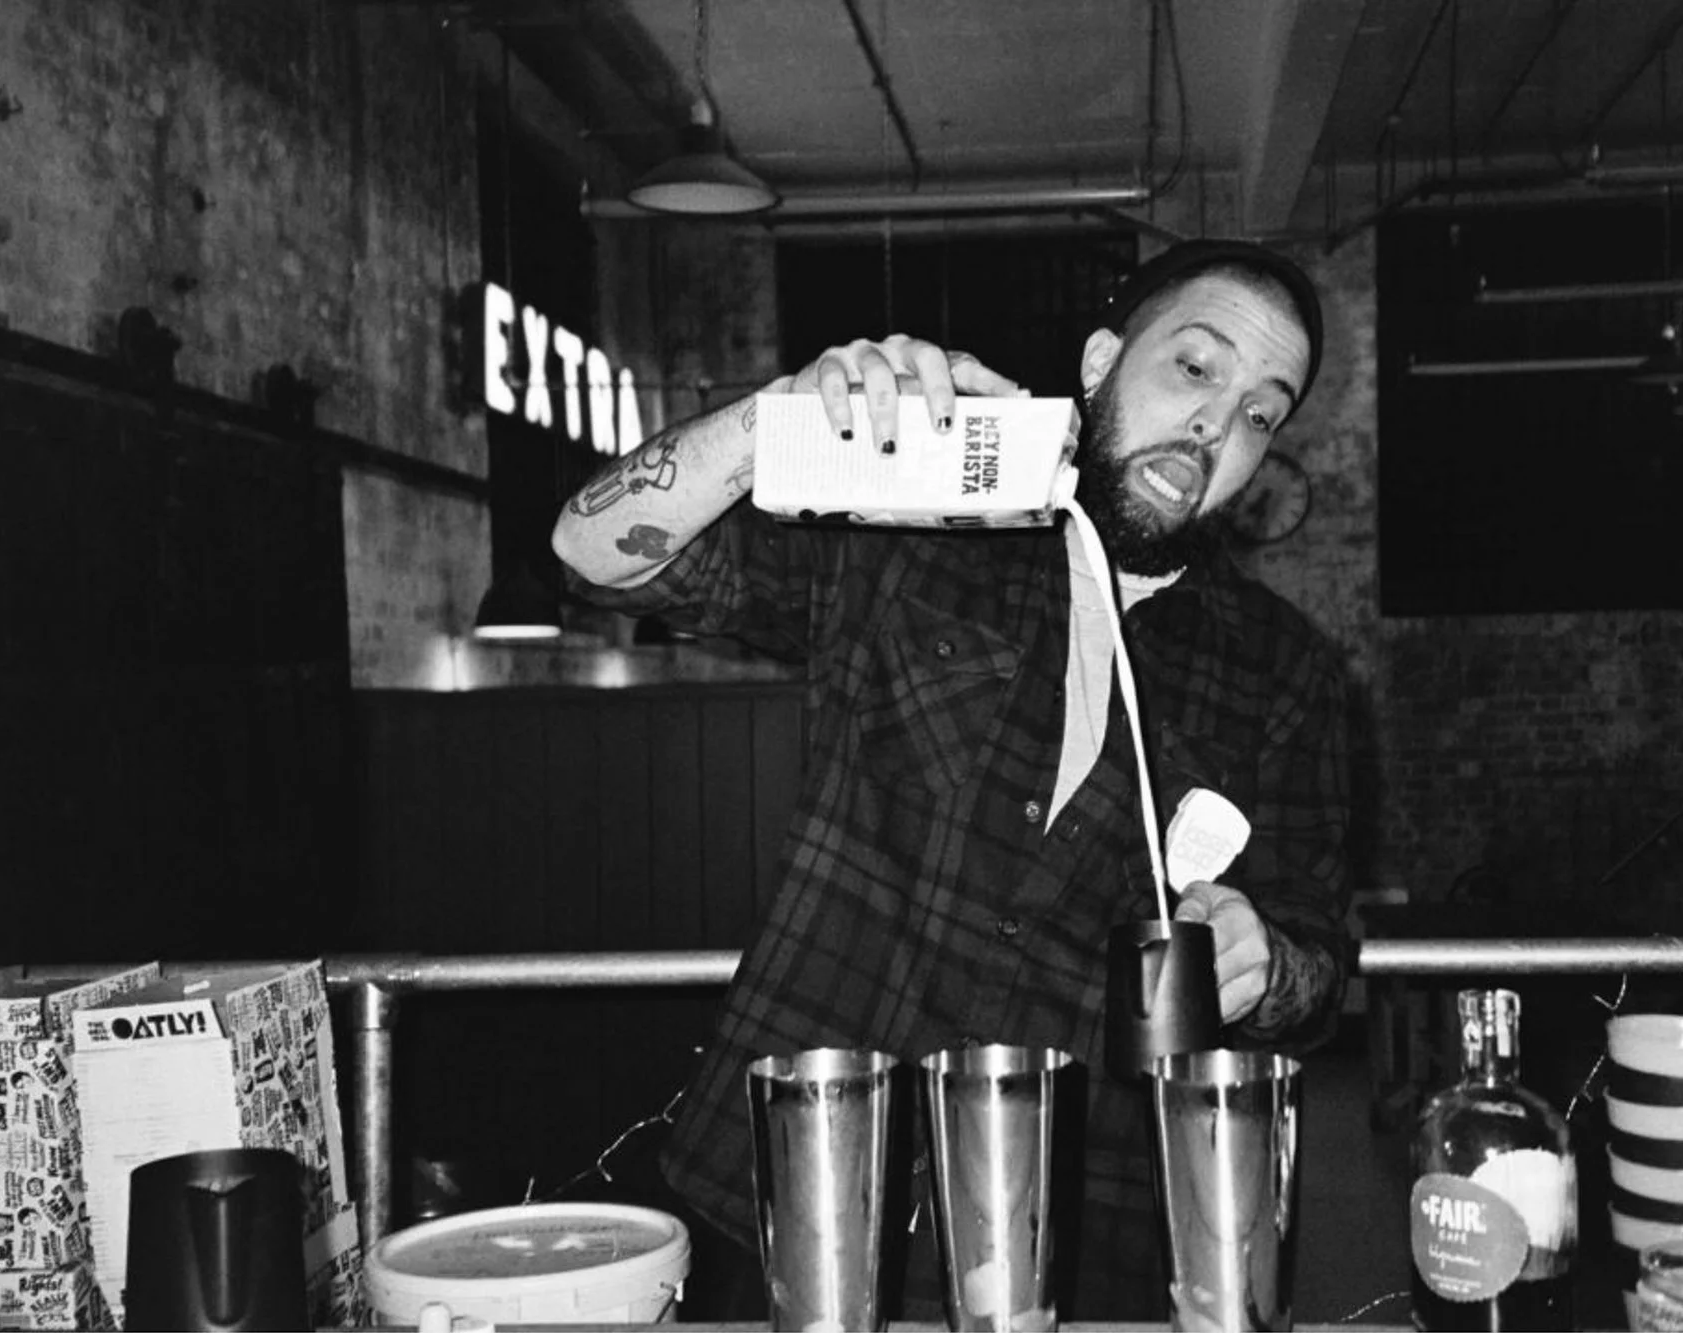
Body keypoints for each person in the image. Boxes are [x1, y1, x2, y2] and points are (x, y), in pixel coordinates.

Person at [551, 238, 1353, 1322]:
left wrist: (1269, 964)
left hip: (1084, 1236)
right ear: (1100, 359)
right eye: (1194, 368)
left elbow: (1317, 967)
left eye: (1262, 411)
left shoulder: (1284, 670)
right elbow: (597, 555)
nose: (1218, 425)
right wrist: (777, 419)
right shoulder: (916, 535)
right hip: (809, 1182)